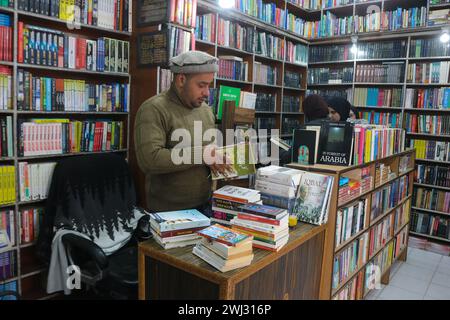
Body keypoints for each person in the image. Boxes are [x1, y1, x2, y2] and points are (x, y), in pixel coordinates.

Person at [134, 51, 230, 212]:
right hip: (169, 213)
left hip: (206, 204)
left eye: (209, 85)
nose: (207, 93)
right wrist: (202, 154)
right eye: (201, 85)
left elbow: (208, 154)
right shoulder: (153, 109)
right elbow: (149, 160)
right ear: (181, 80)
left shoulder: (206, 110)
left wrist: (220, 162)